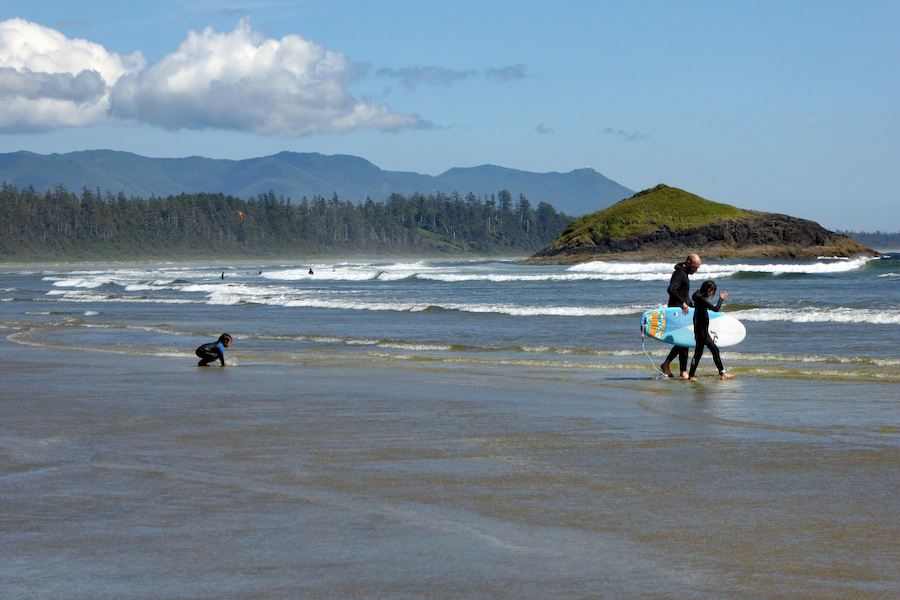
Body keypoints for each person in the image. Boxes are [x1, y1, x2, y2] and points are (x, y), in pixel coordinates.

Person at [659, 253, 701, 378]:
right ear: (688, 262)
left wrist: (690, 304)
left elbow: (683, 294)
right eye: (694, 267)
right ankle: (669, 365)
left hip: (683, 311)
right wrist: (682, 303)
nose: (696, 270)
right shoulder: (679, 274)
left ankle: (682, 371)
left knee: (684, 340)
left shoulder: (683, 274)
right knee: (684, 340)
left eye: (697, 268)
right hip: (677, 311)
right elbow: (671, 289)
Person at [688, 281, 735, 381]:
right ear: (709, 290)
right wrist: (721, 299)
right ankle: (722, 374)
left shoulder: (697, 296)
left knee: (699, 353)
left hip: (700, 328)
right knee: (713, 350)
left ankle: (691, 375)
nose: (711, 294)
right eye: (712, 292)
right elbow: (715, 309)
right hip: (701, 330)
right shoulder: (700, 298)